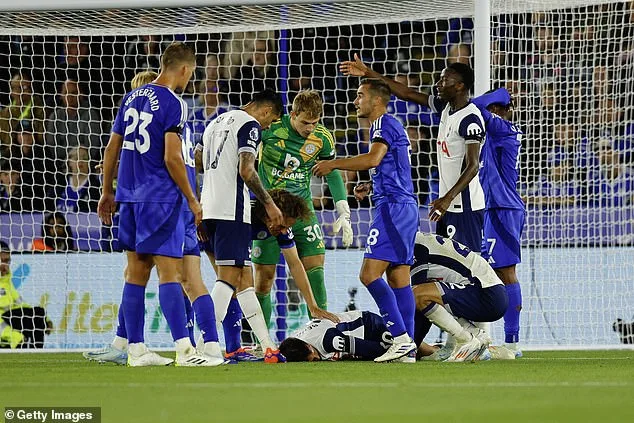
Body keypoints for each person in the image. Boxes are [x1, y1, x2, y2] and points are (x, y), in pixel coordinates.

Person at [84, 70, 224, 366]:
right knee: (190, 279)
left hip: (162, 201)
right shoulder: (179, 123)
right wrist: (194, 202)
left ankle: (170, 347)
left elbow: (157, 158)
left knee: (152, 273)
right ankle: (209, 344)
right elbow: (182, 161)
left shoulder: (155, 111)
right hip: (183, 203)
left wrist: (114, 177)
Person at [313, 79, 418, 363]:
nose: (355, 101)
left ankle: (400, 339)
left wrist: (333, 163)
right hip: (401, 206)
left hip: (393, 210)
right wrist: (372, 186)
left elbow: (373, 159)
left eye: (360, 96)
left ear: (377, 100)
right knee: (398, 278)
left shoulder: (384, 123)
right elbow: (390, 166)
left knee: (369, 275)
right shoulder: (385, 126)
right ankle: (407, 346)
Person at [340, 55, 486, 252]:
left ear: (459, 86)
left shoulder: (470, 119)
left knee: (470, 269)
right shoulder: (445, 108)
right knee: (450, 270)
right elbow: (406, 93)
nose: (437, 84)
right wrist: (368, 73)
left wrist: (447, 199)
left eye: (444, 80)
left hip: (465, 207)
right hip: (446, 206)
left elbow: (473, 165)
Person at [202, 189, 341, 362]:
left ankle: (232, 348)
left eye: (287, 227)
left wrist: (312, 306)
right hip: (211, 226)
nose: (283, 230)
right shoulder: (247, 208)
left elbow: (295, 263)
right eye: (282, 225)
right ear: (272, 212)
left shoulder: (280, 227)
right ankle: (206, 345)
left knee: (238, 284)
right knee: (233, 281)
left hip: (228, 229)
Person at [253, 89, 353, 328]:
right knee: (263, 281)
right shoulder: (270, 130)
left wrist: (343, 209)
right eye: (305, 122)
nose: (310, 128)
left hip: (302, 211)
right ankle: (261, 342)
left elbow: (331, 170)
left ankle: (322, 336)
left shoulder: (323, 138)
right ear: (293, 114)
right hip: (269, 212)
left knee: (316, 270)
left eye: (315, 122)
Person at [199, 89, 286, 363]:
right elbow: (246, 170)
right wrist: (270, 204)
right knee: (226, 279)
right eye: (270, 121)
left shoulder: (214, 122)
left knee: (243, 282)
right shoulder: (249, 125)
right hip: (230, 210)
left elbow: (198, 160)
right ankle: (204, 346)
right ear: (265, 110)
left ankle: (268, 345)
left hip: (207, 208)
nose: (267, 126)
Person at [471, 87, 526, 358]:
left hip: (504, 209)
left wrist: (500, 94)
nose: (488, 114)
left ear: (500, 110)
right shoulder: (494, 134)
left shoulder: (503, 128)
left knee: (505, 274)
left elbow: (473, 105)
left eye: (494, 109)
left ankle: (512, 344)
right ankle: (479, 337)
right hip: (495, 208)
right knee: (486, 272)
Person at [410, 232, 508, 361]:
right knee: (426, 295)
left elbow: (417, 298)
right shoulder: (418, 240)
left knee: (417, 294)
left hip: (486, 293)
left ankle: (468, 338)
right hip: (492, 293)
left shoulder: (416, 246)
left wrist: (410, 343)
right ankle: (476, 338)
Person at [279, 310, 392, 361]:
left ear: (309, 346)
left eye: (313, 358)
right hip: (363, 321)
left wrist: (387, 353)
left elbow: (373, 350)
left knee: (387, 349)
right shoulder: (293, 343)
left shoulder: (329, 340)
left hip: (371, 327)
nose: (315, 359)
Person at [1, 241, 52, 348]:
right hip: (6, 332)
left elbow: (22, 305)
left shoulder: (6, 282)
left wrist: (45, 319)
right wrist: (15, 337)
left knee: (38, 312)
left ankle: (37, 354)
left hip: (10, 321)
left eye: (8, 261)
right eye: (3, 261)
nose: (7, 265)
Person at [54, 145, 101, 213]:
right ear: (69, 162)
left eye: (84, 158)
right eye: (76, 158)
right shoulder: (60, 183)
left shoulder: (96, 187)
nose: (80, 161)